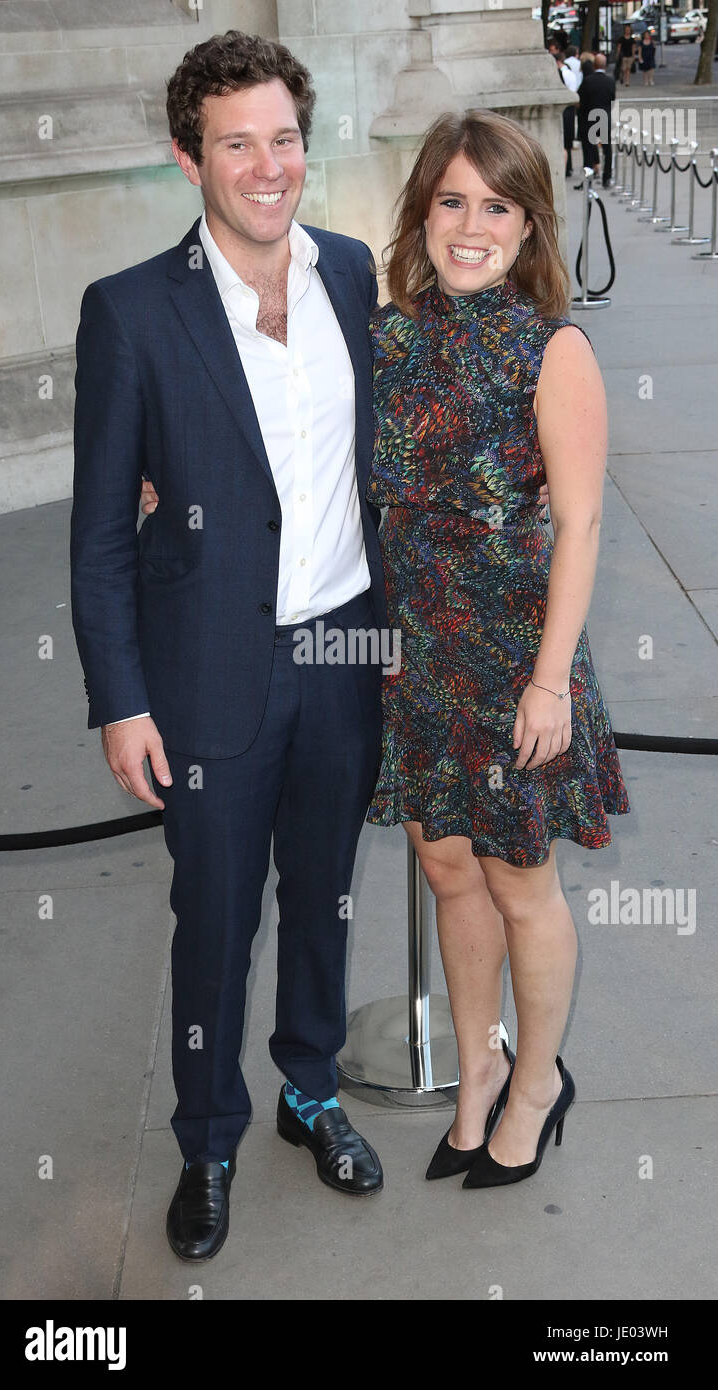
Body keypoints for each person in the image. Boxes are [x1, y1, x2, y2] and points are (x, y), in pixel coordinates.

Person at [71, 30, 390, 1265]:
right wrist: (120, 699)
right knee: (213, 918)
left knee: (323, 896)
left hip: (341, 656)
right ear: (187, 159)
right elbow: (101, 532)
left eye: (284, 137)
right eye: (236, 143)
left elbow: (383, 466)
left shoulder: (353, 276)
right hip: (206, 674)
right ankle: (207, 1138)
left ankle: (311, 1087)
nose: (268, 167)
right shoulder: (131, 313)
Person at [365, 109, 630, 1188]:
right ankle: (475, 1071)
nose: (469, 226)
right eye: (450, 201)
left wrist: (548, 681)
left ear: (527, 227)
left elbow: (580, 524)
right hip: (419, 649)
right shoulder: (389, 334)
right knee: (443, 867)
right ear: (421, 211)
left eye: (495, 206)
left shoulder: (550, 347)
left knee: (521, 881)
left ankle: (535, 1083)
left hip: (519, 656)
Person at [576, 53, 616, 188]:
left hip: (589, 118)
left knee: (588, 151)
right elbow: (612, 99)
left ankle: (588, 178)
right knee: (607, 150)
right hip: (604, 117)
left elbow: (581, 99)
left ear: (594, 65)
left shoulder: (588, 81)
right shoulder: (610, 81)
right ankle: (607, 177)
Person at [555, 46, 582, 178]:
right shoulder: (569, 73)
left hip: (565, 109)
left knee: (564, 140)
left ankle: (567, 167)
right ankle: (568, 167)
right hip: (570, 108)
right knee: (568, 140)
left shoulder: (563, 74)